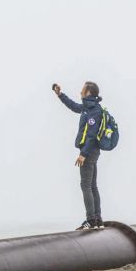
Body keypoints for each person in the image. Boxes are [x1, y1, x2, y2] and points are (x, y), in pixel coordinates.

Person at [53, 81, 105, 230]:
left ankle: (91, 219)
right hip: (92, 152)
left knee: (86, 185)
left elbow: (92, 135)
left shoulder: (94, 111)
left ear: (88, 92)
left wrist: (83, 154)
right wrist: (60, 95)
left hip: (89, 152)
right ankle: (97, 219)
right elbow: (73, 106)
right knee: (92, 185)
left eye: (82, 90)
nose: (80, 92)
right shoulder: (88, 108)